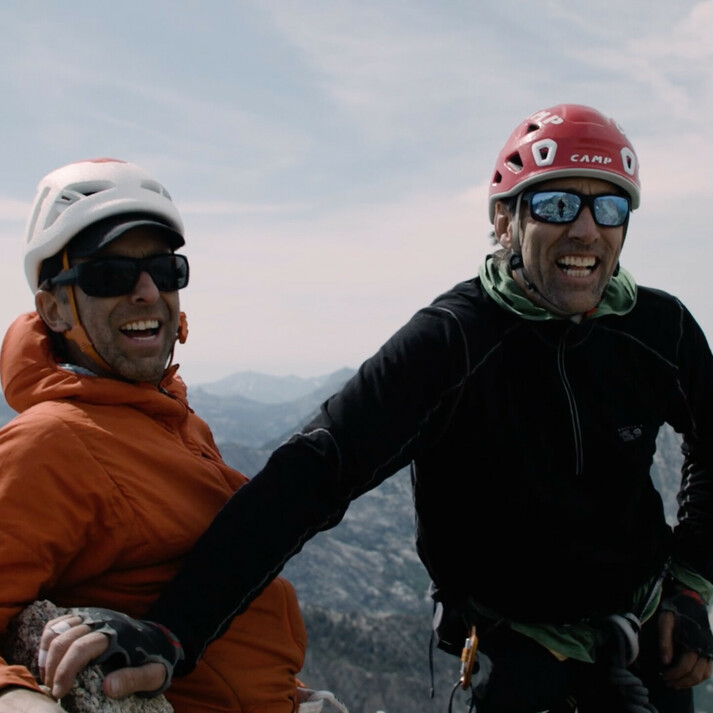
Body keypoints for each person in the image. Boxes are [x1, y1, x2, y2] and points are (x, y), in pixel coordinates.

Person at [41, 105, 713, 713]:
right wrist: (172, 630)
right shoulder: (453, 341)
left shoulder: (659, 331)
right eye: (558, 204)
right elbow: (314, 471)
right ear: (504, 220)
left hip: (647, 635)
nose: (586, 231)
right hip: (516, 657)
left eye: (610, 209)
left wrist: (690, 583)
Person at [0, 157, 314, 713]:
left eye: (165, 270)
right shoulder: (50, 444)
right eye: (109, 274)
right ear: (52, 308)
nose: (147, 291)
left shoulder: (173, 418)